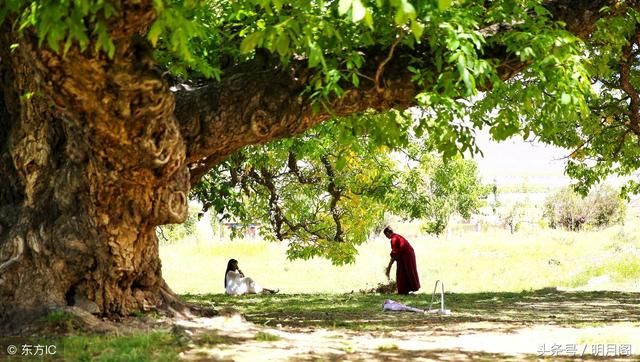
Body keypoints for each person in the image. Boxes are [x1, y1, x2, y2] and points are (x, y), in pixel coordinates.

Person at [383, 227, 420, 294]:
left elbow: (394, 252)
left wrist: (389, 266)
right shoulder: (396, 236)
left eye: (386, 235)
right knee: (403, 272)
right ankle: (404, 290)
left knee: (403, 272)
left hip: (406, 255)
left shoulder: (394, 238)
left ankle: (403, 290)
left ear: (388, 233)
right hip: (406, 254)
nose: (386, 237)